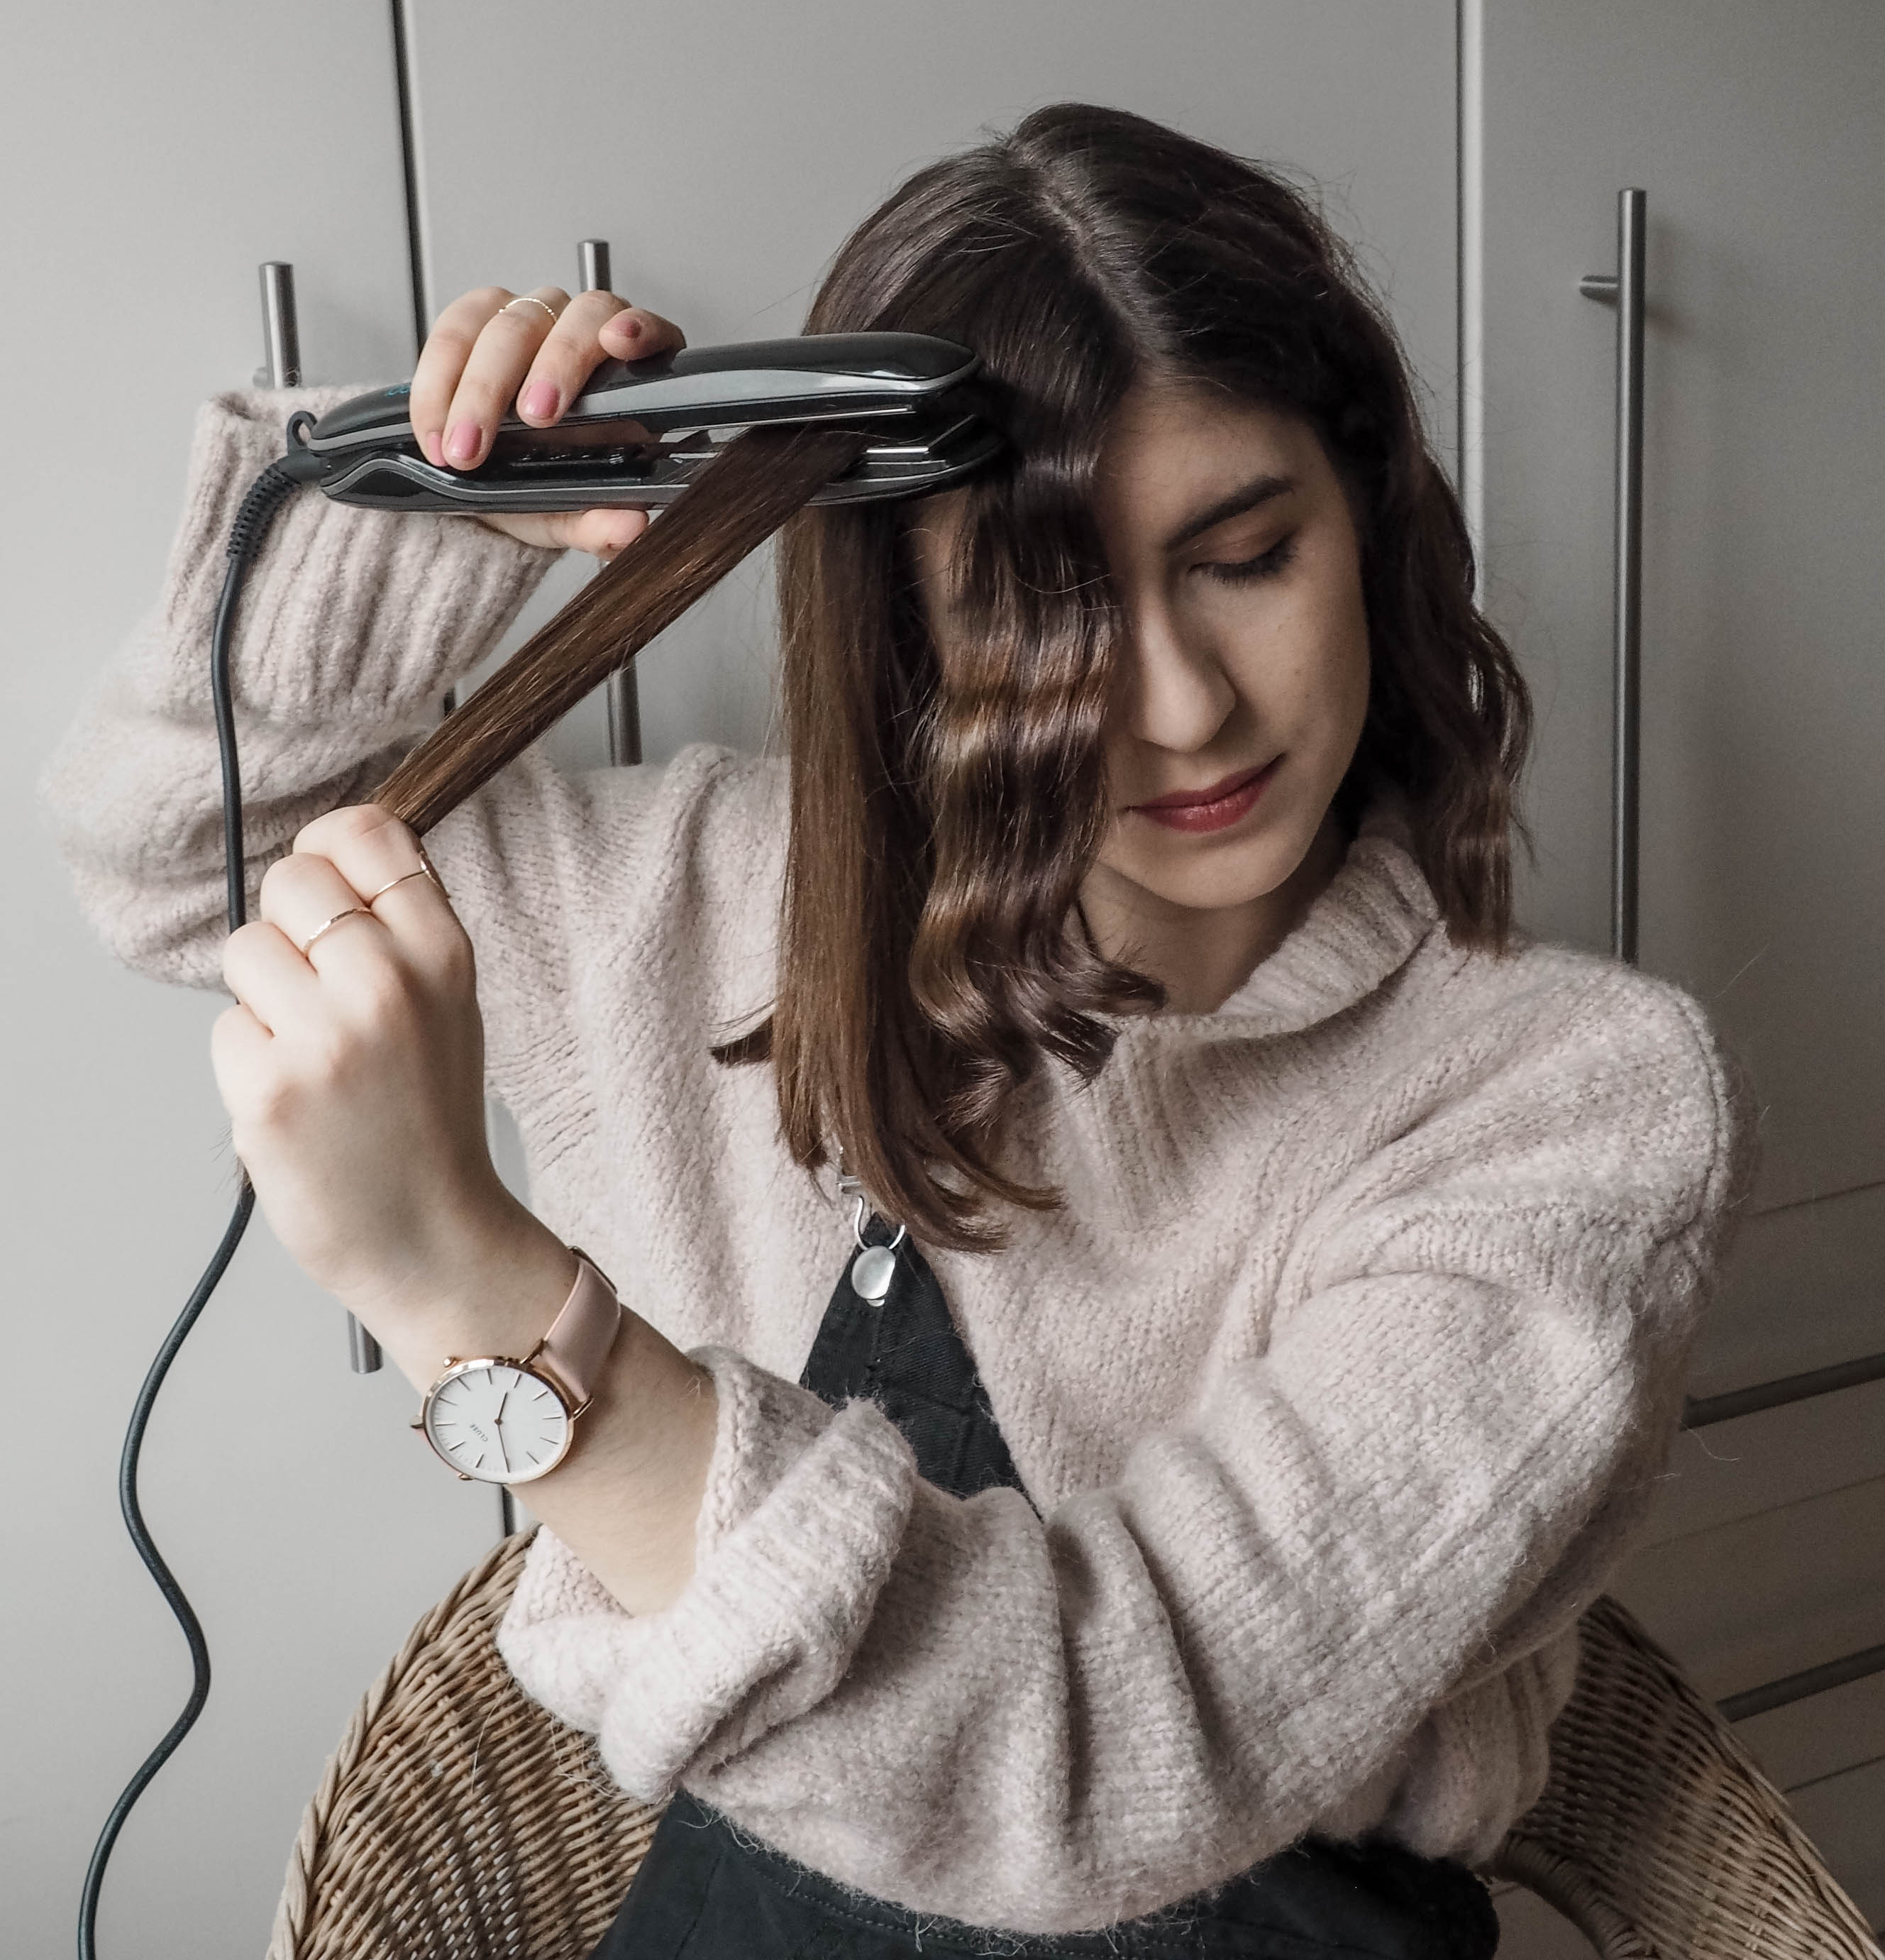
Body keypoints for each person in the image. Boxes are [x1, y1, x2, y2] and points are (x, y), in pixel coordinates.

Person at [48, 104, 1752, 1956]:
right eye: (1043, 612)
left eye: (1244, 554)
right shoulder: (701, 902)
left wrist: (472, 1298)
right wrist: (442, 492)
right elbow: (183, 861)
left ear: (1371, 526)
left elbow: (1102, 1755)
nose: (1179, 706)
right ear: (907, 641)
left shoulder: (1566, 1107)